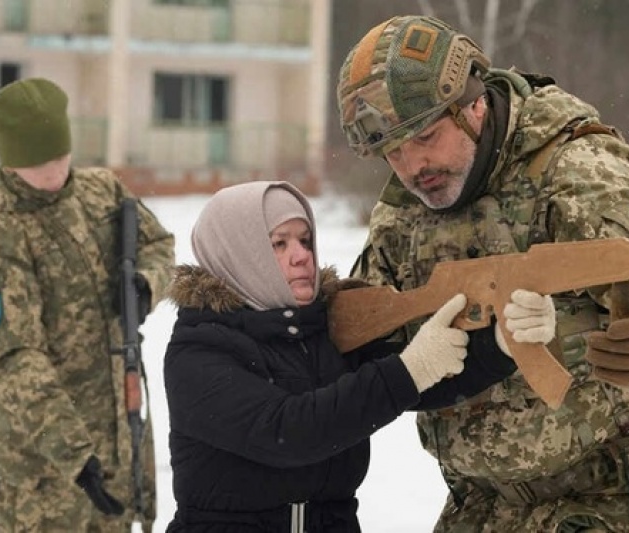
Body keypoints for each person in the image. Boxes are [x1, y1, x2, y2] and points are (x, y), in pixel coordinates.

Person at [337, 15, 629, 532]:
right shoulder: (402, 216)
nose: (412, 166)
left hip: (621, 499)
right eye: (392, 151)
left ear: (473, 104)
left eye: (426, 136)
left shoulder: (577, 170)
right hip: (485, 508)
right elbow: (356, 330)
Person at [161, 180, 553, 532]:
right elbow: (289, 433)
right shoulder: (199, 350)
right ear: (239, 253)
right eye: (279, 243)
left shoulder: (326, 327)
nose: (301, 256)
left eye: (305, 240)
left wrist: (502, 343)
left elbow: (426, 378)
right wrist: (411, 368)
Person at [0, 77, 176, 532]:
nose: (54, 172)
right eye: (39, 163)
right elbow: (14, 360)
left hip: (118, 440)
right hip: (48, 474)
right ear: (12, 161)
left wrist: (145, 284)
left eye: (60, 156)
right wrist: (74, 455)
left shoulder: (99, 193)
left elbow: (159, 244)